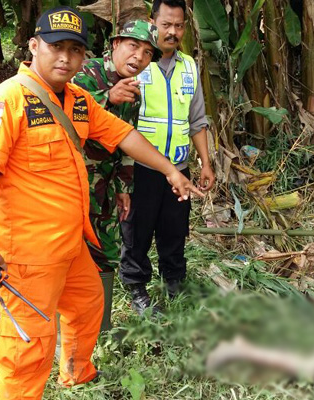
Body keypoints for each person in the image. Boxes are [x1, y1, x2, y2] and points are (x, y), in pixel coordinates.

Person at [0, 6, 202, 399]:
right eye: (56, 47)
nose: (65, 58)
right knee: (29, 341)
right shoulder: (3, 101)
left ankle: (78, 374)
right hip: (30, 250)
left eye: (75, 50)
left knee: (88, 304)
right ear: (33, 46)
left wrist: (170, 171)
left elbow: (124, 135)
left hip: (72, 241)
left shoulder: (78, 99)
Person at [119, 0, 215, 314]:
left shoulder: (189, 66)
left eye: (179, 26)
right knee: (138, 229)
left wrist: (206, 162)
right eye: (166, 25)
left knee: (175, 229)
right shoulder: (138, 65)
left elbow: (197, 120)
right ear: (153, 22)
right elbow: (121, 122)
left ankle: (174, 283)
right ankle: (136, 286)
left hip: (179, 166)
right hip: (142, 167)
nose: (172, 32)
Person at [72, 19, 161, 329]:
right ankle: (69, 326)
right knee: (71, 251)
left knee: (106, 250)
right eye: (133, 46)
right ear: (115, 44)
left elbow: (127, 138)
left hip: (108, 185)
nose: (139, 57)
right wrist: (107, 97)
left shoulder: (134, 89)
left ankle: (101, 325)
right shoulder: (85, 74)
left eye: (148, 53)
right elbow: (66, 118)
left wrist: (124, 187)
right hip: (76, 182)